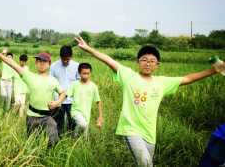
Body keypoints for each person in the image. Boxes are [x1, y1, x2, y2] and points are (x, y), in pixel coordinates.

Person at [75, 36, 220, 167]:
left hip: (150, 134)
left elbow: (187, 78)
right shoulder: (128, 75)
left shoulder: (162, 82)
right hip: (130, 130)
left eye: (152, 61)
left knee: (145, 163)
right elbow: (108, 60)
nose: (148, 64)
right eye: (144, 60)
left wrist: (213, 70)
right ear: (138, 62)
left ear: (157, 65)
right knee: (146, 164)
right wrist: (88, 48)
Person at [0, 47, 65, 146]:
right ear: (35, 63)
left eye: (44, 61)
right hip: (32, 117)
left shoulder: (53, 80)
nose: (41, 63)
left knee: (53, 140)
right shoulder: (29, 76)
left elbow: (63, 93)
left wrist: (58, 102)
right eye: (38, 61)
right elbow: (13, 64)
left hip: (47, 116)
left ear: (49, 64)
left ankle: (48, 155)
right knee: (31, 142)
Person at [66, 62, 103, 138]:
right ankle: (74, 136)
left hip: (86, 114)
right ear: (79, 73)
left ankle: (75, 140)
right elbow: (66, 95)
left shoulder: (93, 86)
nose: (86, 75)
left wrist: (100, 116)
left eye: (88, 73)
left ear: (90, 73)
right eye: (84, 73)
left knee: (85, 137)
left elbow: (98, 101)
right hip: (75, 111)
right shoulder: (74, 84)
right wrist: (58, 102)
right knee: (83, 124)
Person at [50, 45, 80, 135]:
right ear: (60, 56)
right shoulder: (54, 66)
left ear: (71, 56)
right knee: (58, 122)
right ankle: (59, 138)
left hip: (72, 100)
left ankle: (71, 138)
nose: (65, 61)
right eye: (63, 59)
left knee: (72, 121)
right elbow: (51, 82)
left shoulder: (77, 66)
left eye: (67, 59)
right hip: (58, 100)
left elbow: (79, 82)